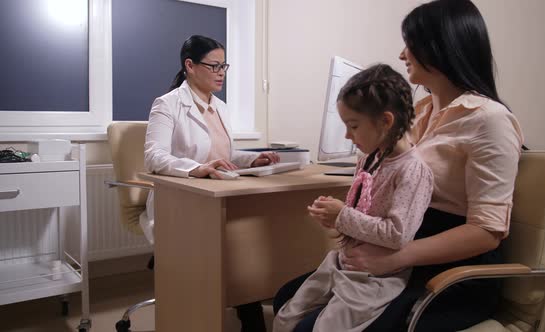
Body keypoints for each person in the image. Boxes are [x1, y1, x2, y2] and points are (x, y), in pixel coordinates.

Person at [272, 1, 525, 331]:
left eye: (411, 44)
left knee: (309, 326)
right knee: (285, 298)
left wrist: (397, 257)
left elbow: (487, 232)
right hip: (396, 248)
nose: (403, 54)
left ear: (439, 47)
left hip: (449, 270)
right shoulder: (417, 112)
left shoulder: (488, 121)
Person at [273, 64, 433, 332]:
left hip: (377, 277)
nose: (348, 135)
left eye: (354, 126)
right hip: (343, 263)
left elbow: (397, 234)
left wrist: (343, 216)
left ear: (386, 121)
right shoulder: (369, 159)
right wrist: (335, 218)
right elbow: (360, 213)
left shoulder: (413, 171)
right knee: (286, 316)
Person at [143, 35, 277, 332]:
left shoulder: (221, 107)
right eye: (214, 65)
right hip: (180, 202)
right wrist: (198, 168)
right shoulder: (167, 105)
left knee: (252, 234)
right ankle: (249, 313)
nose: (221, 73)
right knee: (239, 242)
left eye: (224, 66)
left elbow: (223, 156)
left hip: (220, 195)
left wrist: (251, 160)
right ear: (190, 65)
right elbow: (154, 157)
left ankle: (249, 305)